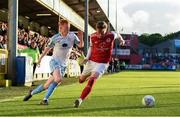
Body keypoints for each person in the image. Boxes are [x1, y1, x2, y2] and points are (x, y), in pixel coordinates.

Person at [23, 19, 84, 105]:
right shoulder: (55, 37)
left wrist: (81, 37)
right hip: (54, 62)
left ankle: (31, 93)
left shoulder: (72, 36)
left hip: (63, 65)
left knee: (46, 85)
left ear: (67, 27)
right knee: (58, 79)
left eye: (63, 27)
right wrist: (40, 58)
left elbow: (81, 45)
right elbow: (47, 49)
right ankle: (45, 100)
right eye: (60, 27)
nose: (61, 29)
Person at [74, 21, 125, 108]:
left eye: (102, 33)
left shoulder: (111, 35)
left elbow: (118, 34)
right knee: (81, 80)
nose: (100, 35)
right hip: (91, 62)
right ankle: (90, 74)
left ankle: (80, 99)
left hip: (102, 63)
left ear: (106, 30)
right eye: (98, 32)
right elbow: (91, 47)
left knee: (92, 80)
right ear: (96, 30)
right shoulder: (93, 36)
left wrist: (121, 39)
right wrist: (86, 58)